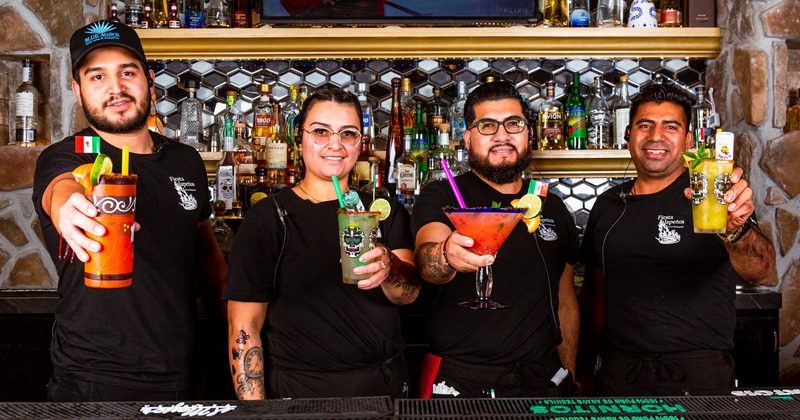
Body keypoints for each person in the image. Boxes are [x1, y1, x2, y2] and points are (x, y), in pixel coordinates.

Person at [31, 21, 226, 401]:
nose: (115, 88)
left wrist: (243, 325)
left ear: (149, 79)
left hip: (183, 369)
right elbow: (63, 187)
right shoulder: (69, 155)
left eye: (127, 72)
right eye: (97, 76)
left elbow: (206, 256)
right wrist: (69, 207)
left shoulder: (185, 160)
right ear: (77, 89)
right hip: (94, 376)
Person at [577, 83, 777, 396]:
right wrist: (584, 368)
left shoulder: (710, 196)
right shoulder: (607, 204)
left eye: (670, 127)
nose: (656, 137)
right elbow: (593, 294)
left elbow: (764, 271)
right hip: (620, 374)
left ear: (687, 139)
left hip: (698, 374)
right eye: (645, 125)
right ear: (629, 134)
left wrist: (734, 230)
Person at [223, 87, 422, 400]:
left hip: (384, 387)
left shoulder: (381, 208)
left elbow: (407, 296)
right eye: (320, 132)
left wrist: (390, 267)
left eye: (348, 133)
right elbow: (244, 326)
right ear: (300, 140)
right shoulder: (270, 217)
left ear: (360, 144)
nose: (335, 145)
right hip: (302, 392)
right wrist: (255, 411)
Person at [411, 81, 580, 398]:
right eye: (487, 126)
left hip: (543, 380)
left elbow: (565, 300)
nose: (502, 136)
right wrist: (447, 255)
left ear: (529, 132)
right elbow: (427, 261)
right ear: (467, 138)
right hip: (461, 381)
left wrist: (567, 372)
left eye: (513, 124)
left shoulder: (551, 205)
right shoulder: (443, 195)